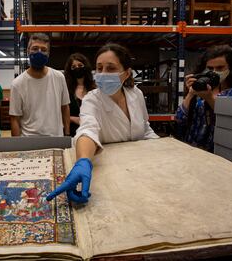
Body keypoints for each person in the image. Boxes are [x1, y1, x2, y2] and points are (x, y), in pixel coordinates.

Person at [46, 43, 159, 204]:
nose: (103, 74)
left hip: (138, 169)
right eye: (99, 68)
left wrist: (161, 150)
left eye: (111, 68)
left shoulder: (136, 94)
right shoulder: (92, 99)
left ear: (126, 73)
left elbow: (145, 128)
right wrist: (83, 161)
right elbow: (88, 130)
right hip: (112, 173)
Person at [175, 44, 232, 152]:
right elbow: (180, 119)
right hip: (193, 152)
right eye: (210, 68)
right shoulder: (200, 89)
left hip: (223, 154)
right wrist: (191, 93)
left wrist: (209, 98)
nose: (214, 72)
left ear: (231, 68)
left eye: (220, 68)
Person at [9, 33, 70, 136]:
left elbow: (65, 107)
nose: (39, 52)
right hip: (29, 142)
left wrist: (67, 133)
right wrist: (18, 146)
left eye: (44, 50)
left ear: (49, 53)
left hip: (56, 138)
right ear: (28, 51)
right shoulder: (17, 84)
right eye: (35, 48)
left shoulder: (59, 77)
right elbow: (15, 118)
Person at [64, 53, 96, 136]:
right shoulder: (66, 90)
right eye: (73, 67)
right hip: (72, 133)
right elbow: (61, 113)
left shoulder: (95, 89)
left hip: (93, 132)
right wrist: (73, 119)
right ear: (69, 70)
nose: (77, 68)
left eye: (80, 65)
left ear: (86, 67)